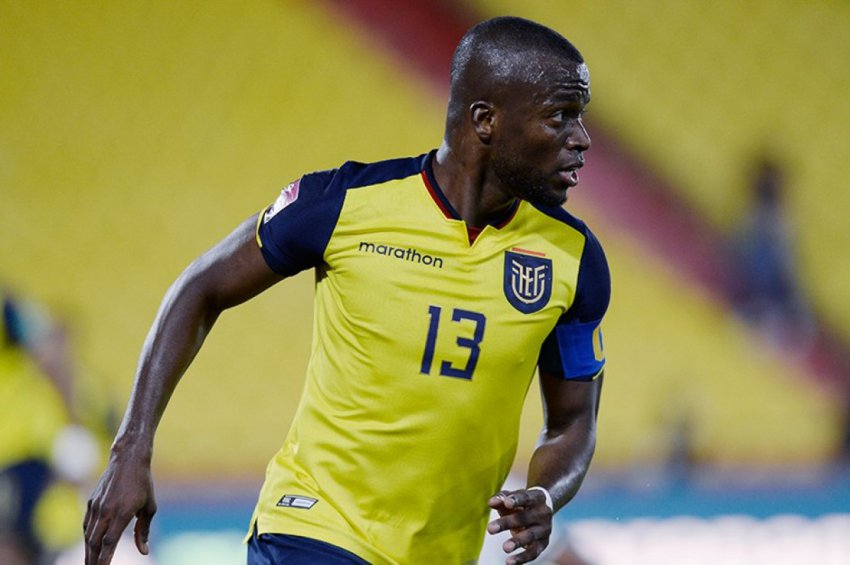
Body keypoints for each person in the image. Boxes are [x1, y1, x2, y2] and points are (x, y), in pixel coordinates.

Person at [83, 15, 610, 565]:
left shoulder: (574, 259)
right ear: (486, 121)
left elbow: (572, 421)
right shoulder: (344, 204)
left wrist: (546, 494)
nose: (582, 139)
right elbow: (201, 287)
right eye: (561, 117)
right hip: (313, 527)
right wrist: (131, 449)